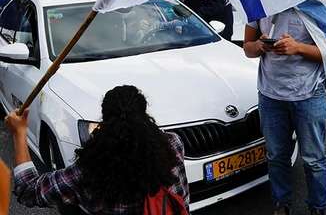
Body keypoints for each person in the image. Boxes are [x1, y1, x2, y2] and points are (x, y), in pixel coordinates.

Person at [4, 85, 190, 214]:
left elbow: (28, 191)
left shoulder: (89, 173)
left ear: (104, 123)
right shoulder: (173, 144)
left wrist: (19, 132)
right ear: (146, 116)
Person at [243, 7, 326, 215]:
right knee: (277, 156)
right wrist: (261, 46)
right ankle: (281, 204)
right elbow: (247, 48)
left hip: (309, 92)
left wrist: (298, 47)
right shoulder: (258, 2)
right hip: (270, 94)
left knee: (313, 159)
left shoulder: (315, 1)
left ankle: (318, 207)